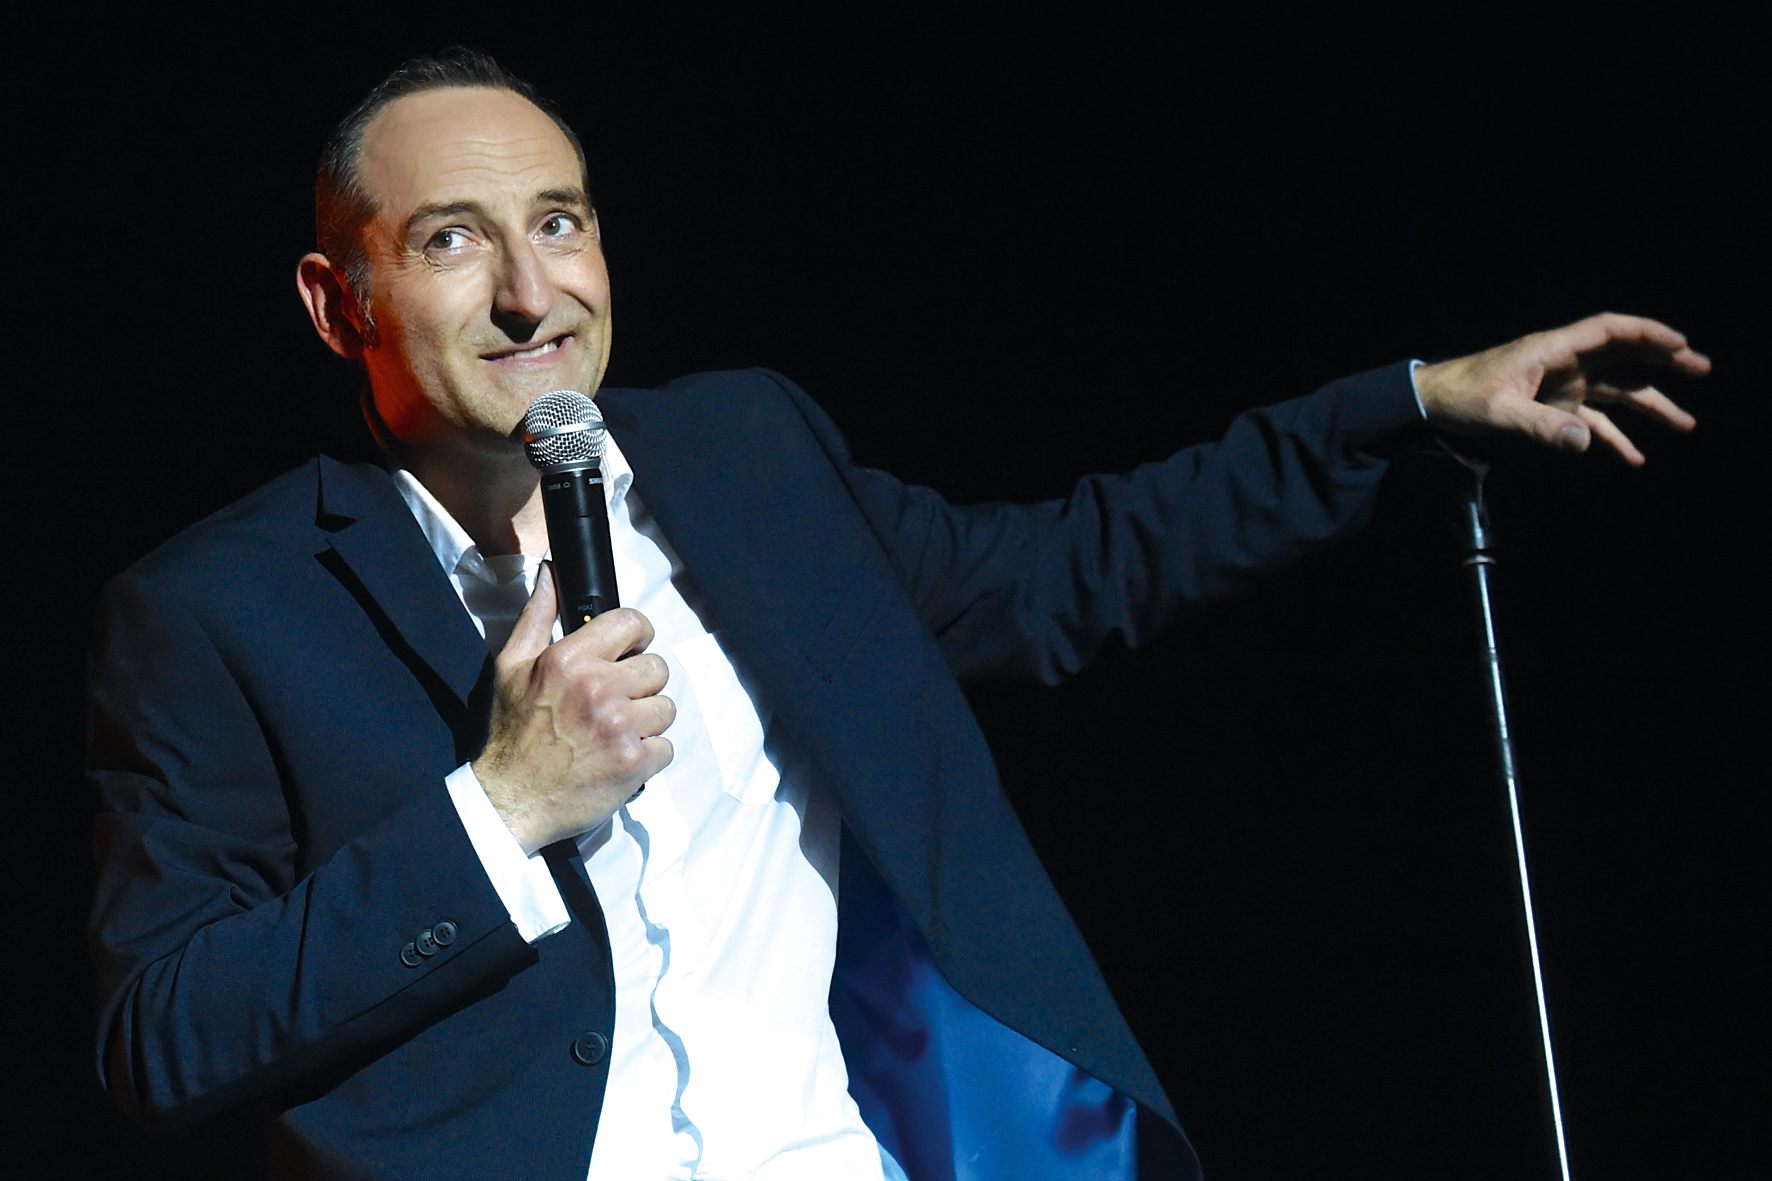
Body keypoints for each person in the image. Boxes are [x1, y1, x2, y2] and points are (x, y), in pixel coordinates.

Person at [86, 49, 1707, 1180]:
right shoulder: (218, 612)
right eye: (454, 240)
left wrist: (1408, 404)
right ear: (340, 302)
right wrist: (500, 808)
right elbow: (162, 1034)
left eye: (560, 223)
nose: (531, 291)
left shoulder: (747, 456)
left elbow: (1070, 570)